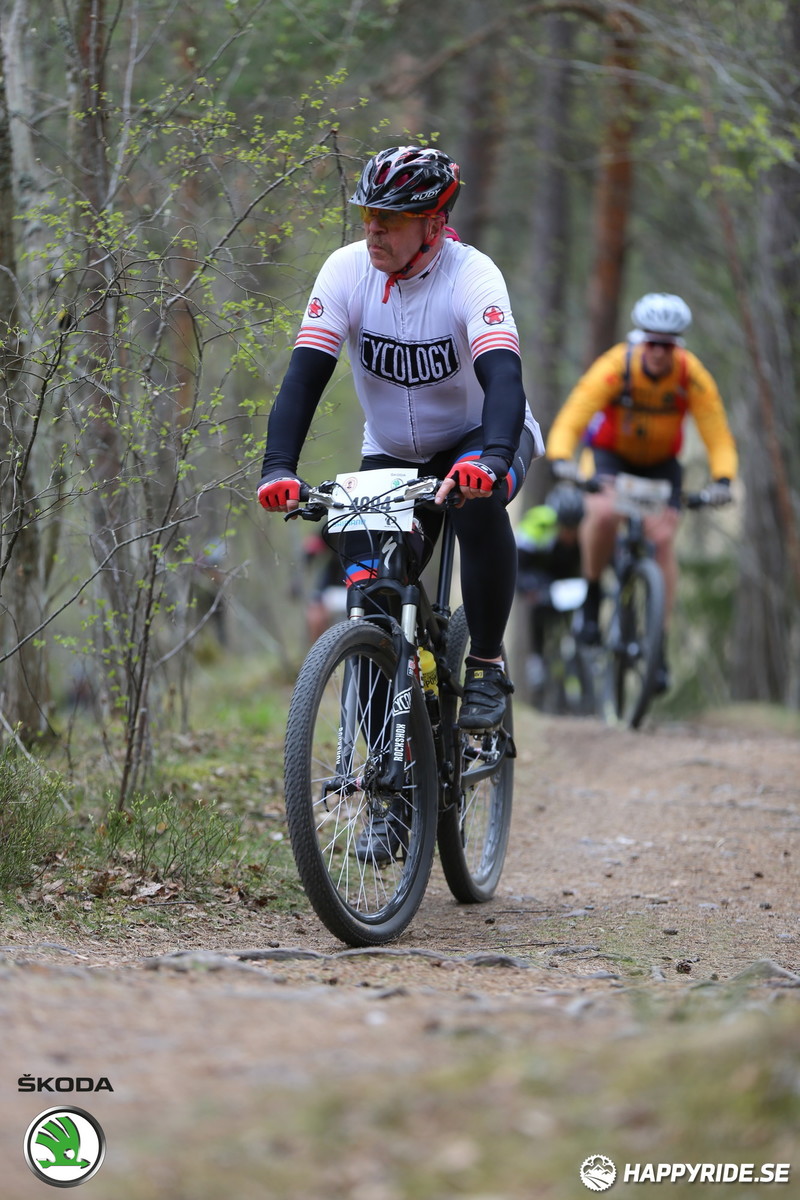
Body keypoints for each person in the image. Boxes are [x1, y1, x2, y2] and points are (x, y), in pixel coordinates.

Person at [258, 145, 543, 736]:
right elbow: (303, 378)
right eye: (367, 215)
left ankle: (486, 664)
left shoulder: (473, 275)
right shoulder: (345, 271)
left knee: (476, 500)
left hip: (482, 435)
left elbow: (504, 379)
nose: (373, 230)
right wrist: (278, 467)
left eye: (389, 219)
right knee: (374, 592)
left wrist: (491, 459)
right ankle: (393, 781)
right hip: (391, 449)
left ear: (433, 225)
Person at [546, 292, 737, 692]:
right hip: (610, 457)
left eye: (667, 345)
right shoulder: (616, 366)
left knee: (663, 541)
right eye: (651, 342)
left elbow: (715, 429)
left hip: (661, 465)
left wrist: (723, 479)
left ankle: (657, 645)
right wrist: (562, 457)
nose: (658, 352)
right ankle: (593, 595)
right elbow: (575, 413)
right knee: (601, 513)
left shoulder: (690, 375)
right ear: (639, 340)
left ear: (677, 346)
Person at [515, 486, 584, 695]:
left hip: (570, 579)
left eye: (575, 528)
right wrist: (527, 586)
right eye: (566, 527)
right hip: (539, 576)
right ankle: (537, 659)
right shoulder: (538, 522)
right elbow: (516, 563)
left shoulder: (586, 529)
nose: (570, 534)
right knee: (539, 609)